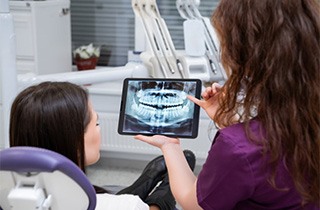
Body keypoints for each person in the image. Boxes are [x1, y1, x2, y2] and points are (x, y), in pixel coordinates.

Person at [134, 0, 320, 209]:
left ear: (243, 56)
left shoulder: (239, 149)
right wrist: (231, 125)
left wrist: (169, 145)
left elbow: (193, 202)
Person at [9, 81, 196, 210]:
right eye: (96, 123)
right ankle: (162, 187)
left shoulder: (7, 198)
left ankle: (145, 181)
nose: (99, 129)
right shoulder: (126, 206)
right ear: (74, 140)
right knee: (158, 202)